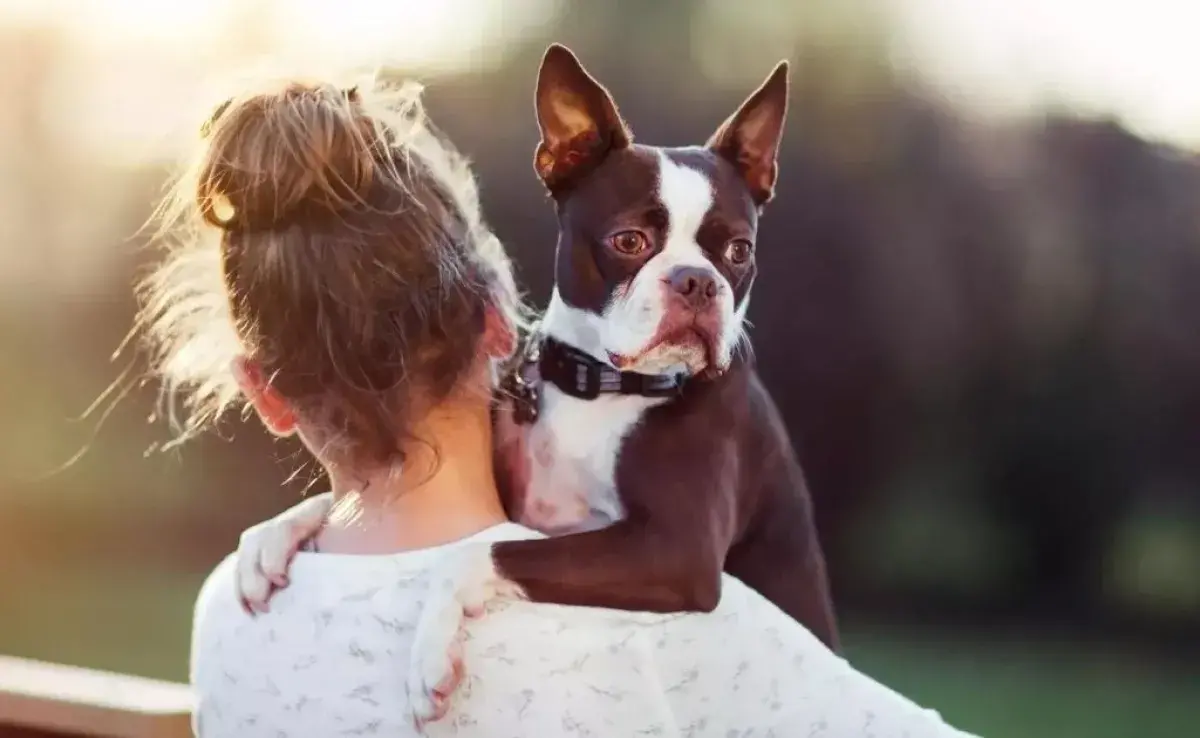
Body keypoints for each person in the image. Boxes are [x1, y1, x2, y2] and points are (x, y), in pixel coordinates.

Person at [138, 73, 981, 737]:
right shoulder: (679, 640)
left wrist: (317, 518)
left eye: (726, 255)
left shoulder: (235, 607)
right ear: (503, 322)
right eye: (632, 245)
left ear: (268, 392)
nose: (692, 279)